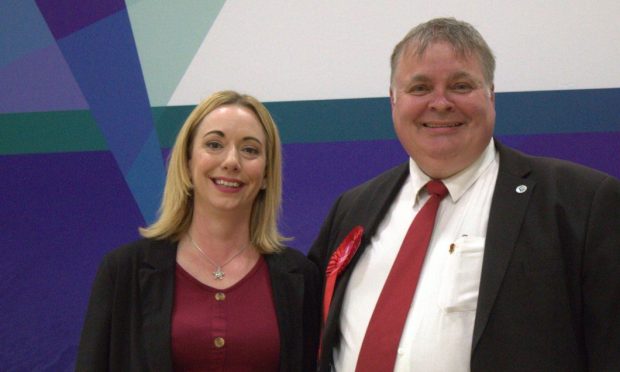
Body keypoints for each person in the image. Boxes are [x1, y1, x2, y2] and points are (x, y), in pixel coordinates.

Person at [309, 17, 620, 372]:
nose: (440, 103)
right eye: (420, 88)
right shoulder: (353, 208)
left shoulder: (581, 203)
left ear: (491, 95)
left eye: (460, 85)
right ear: (393, 101)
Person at [76, 90, 321, 371]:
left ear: (266, 174)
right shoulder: (123, 271)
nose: (231, 161)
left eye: (250, 149)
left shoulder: (300, 278)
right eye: (214, 144)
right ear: (188, 161)